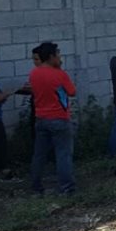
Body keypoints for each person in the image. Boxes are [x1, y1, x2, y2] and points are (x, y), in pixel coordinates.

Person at [29, 42, 77, 195]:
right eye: (58, 55)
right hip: (59, 118)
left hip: (40, 118)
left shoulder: (34, 73)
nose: (60, 58)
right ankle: (66, 188)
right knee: (63, 154)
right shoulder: (59, 74)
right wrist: (59, 69)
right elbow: (72, 91)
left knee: (39, 155)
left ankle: (36, 186)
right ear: (51, 56)